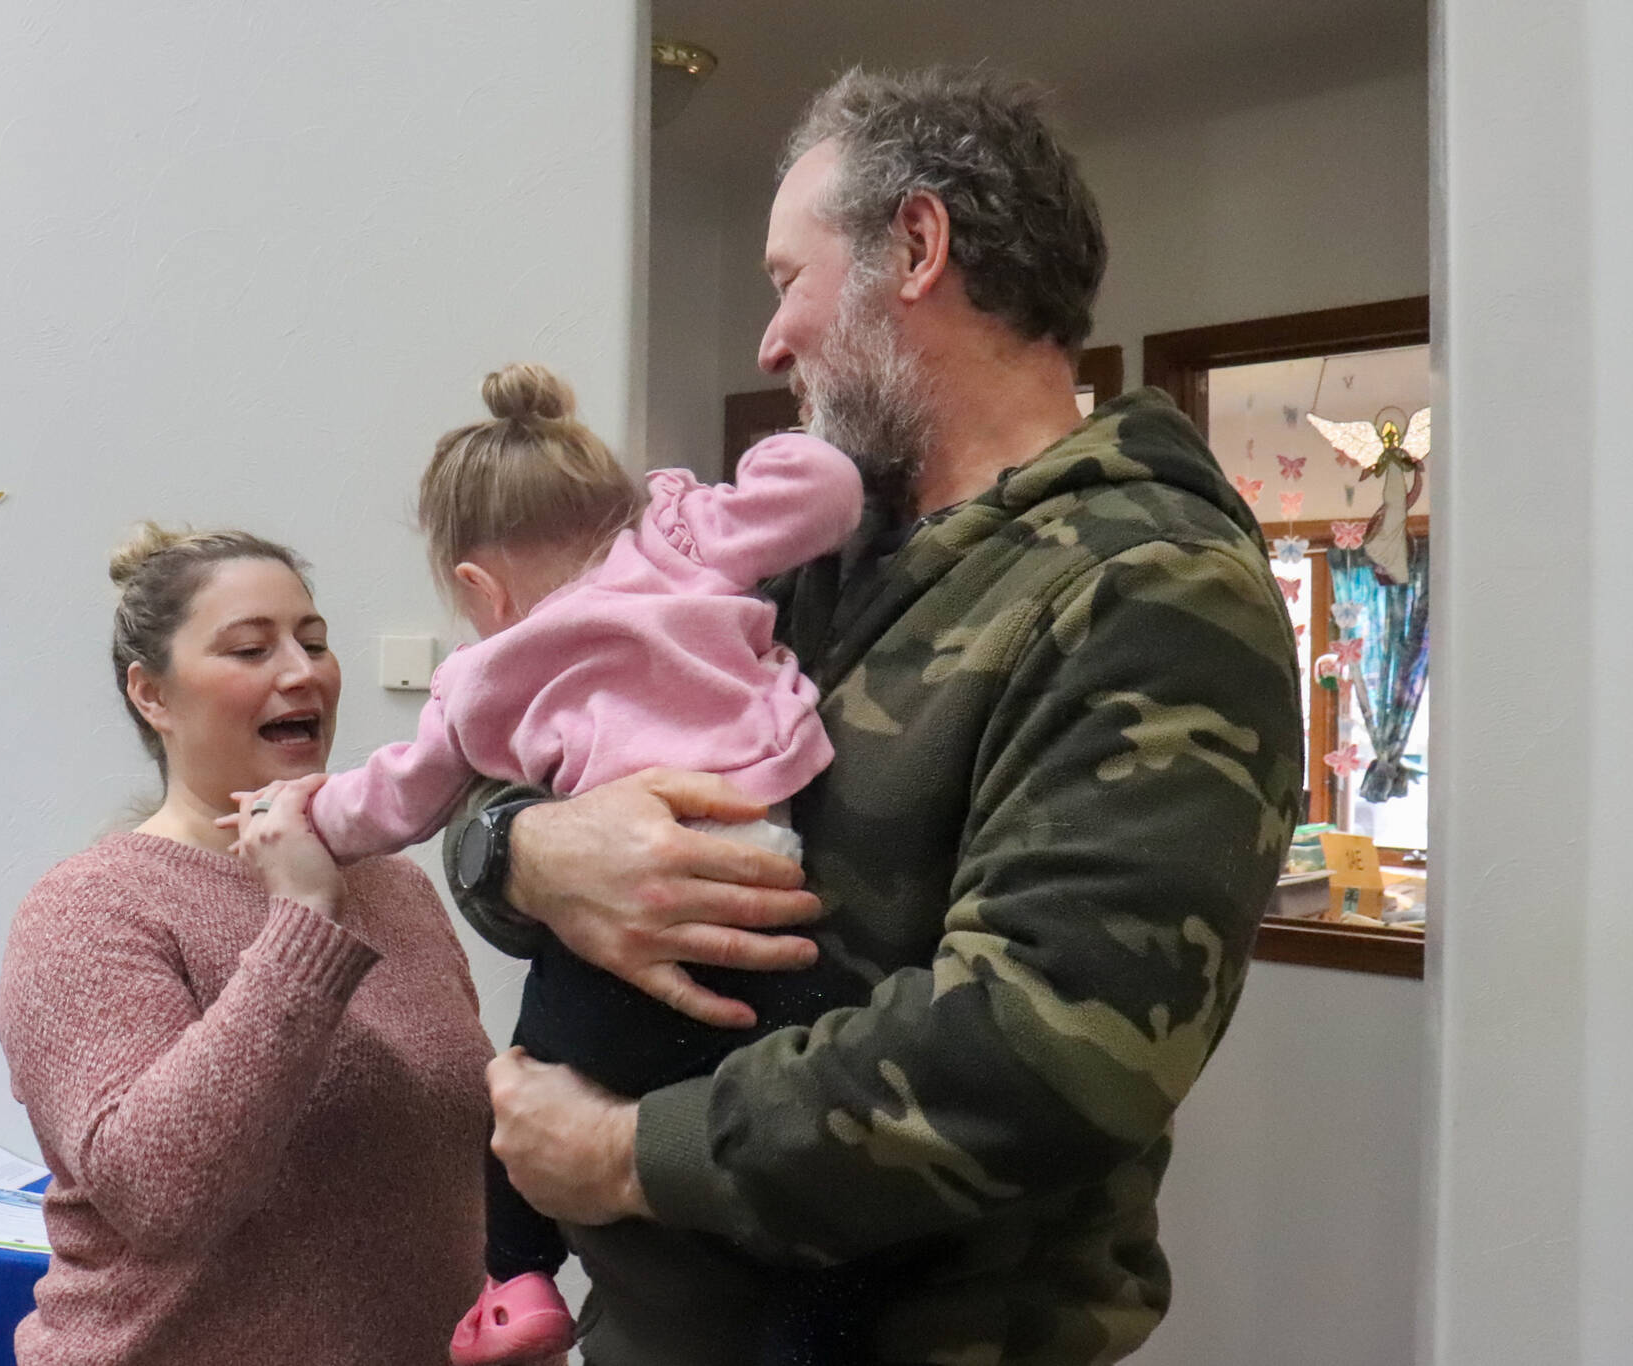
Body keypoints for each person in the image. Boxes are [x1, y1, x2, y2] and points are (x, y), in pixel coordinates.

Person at [444, 67, 1306, 1365]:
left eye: (790, 281)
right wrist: (528, 849)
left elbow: (1044, 1052)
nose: (768, 344)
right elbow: (511, 761)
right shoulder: (789, 566)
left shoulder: (1152, 592)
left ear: (917, 247)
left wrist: (623, 1157)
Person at [281, 362, 868, 1364]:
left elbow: (395, 798)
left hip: (616, 967)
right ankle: (820, 1324)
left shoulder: (478, 673)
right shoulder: (678, 546)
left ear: (478, 585)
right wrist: (718, 480)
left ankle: (515, 1284)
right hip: (769, 900)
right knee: (790, 1155)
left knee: (520, 1083)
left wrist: (299, 813)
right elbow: (826, 491)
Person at [0, 526, 499, 1366]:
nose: (300, 672)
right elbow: (160, 1193)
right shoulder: (90, 909)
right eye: (250, 649)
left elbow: (447, 1171)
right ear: (152, 694)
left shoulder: (396, 886)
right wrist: (303, 913)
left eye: (314, 641)